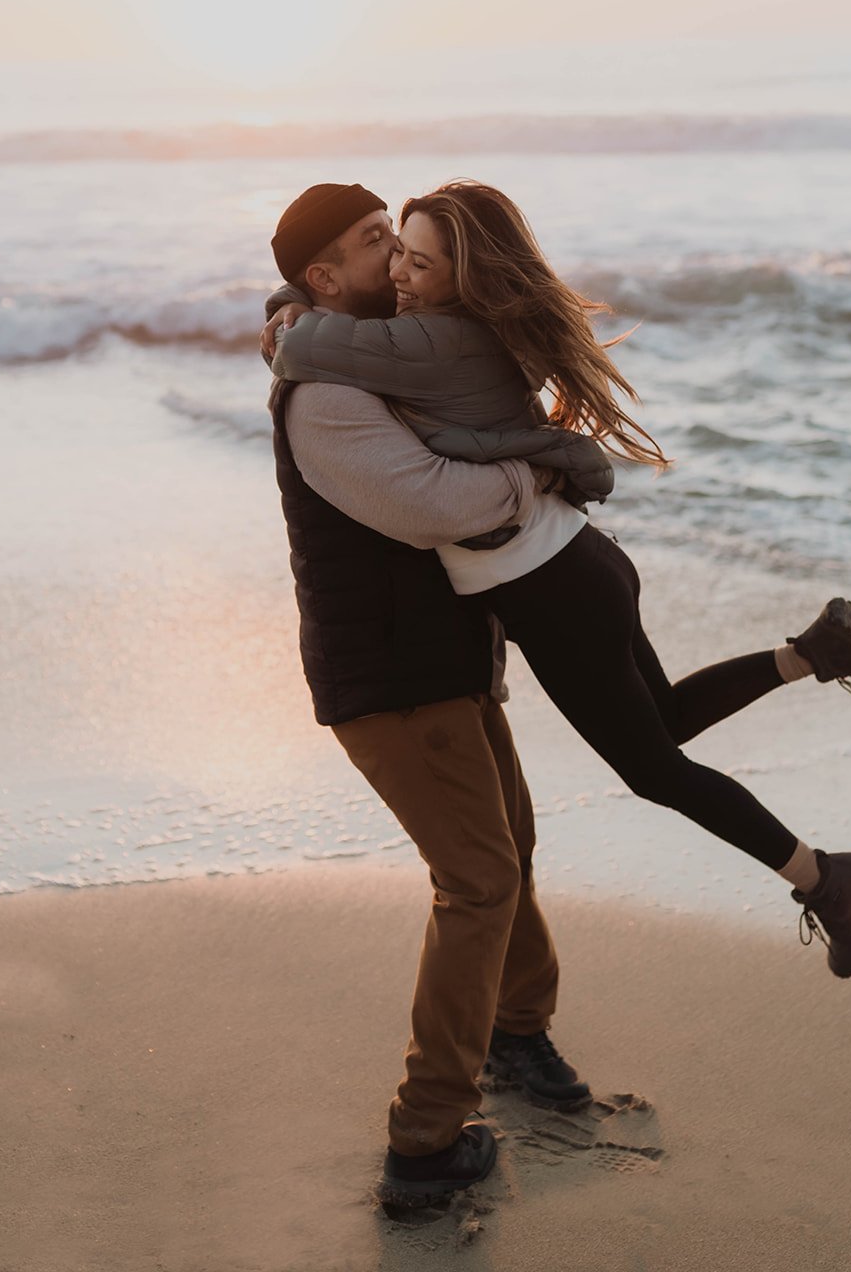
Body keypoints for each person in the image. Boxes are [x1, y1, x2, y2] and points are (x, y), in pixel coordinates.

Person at [263, 178, 851, 1009]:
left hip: (550, 589)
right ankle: (815, 652)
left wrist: (289, 313)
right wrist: (298, 298)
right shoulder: (443, 328)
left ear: (460, 273)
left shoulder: (432, 339)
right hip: (581, 563)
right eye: (391, 249)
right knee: (664, 722)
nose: (399, 268)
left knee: (653, 770)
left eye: (416, 259)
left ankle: (827, 878)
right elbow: (329, 323)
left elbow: (303, 351)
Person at [263, 182, 592, 1212]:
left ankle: (516, 1035)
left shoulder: (391, 357)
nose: (399, 265)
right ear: (323, 279)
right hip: (389, 677)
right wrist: (533, 479)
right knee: (479, 877)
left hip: (445, 658)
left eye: (404, 247)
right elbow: (429, 507)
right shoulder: (325, 394)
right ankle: (423, 1142)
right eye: (376, 248)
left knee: (511, 840)